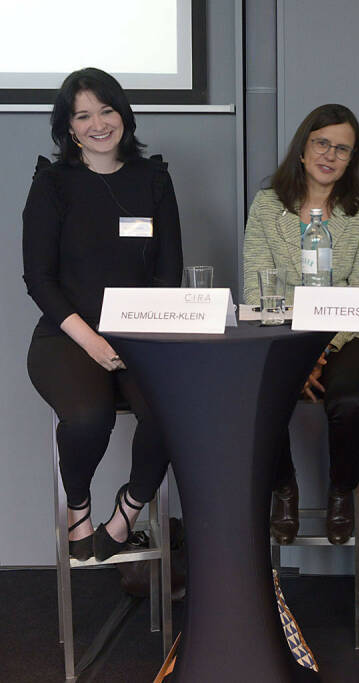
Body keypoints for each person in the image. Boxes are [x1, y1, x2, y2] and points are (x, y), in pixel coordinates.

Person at [23, 67, 183, 563]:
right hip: (68, 336)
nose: (98, 123)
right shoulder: (53, 184)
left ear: (123, 115)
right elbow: (39, 279)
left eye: (107, 110)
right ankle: (78, 508)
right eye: (83, 115)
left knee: (174, 414)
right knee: (90, 419)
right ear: (68, 127)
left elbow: (168, 273)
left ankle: (129, 510)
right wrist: (93, 341)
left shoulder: (153, 179)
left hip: (141, 334)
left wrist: (136, 339)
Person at [243, 104, 359, 545]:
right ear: (302, 149)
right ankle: (282, 488)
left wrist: (319, 349)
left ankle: (342, 491)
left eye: (342, 149)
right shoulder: (268, 206)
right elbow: (256, 287)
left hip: (349, 333)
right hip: (280, 330)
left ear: (351, 159)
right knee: (261, 395)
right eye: (321, 143)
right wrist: (301, 346)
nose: (330, 155)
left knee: (351, 403)